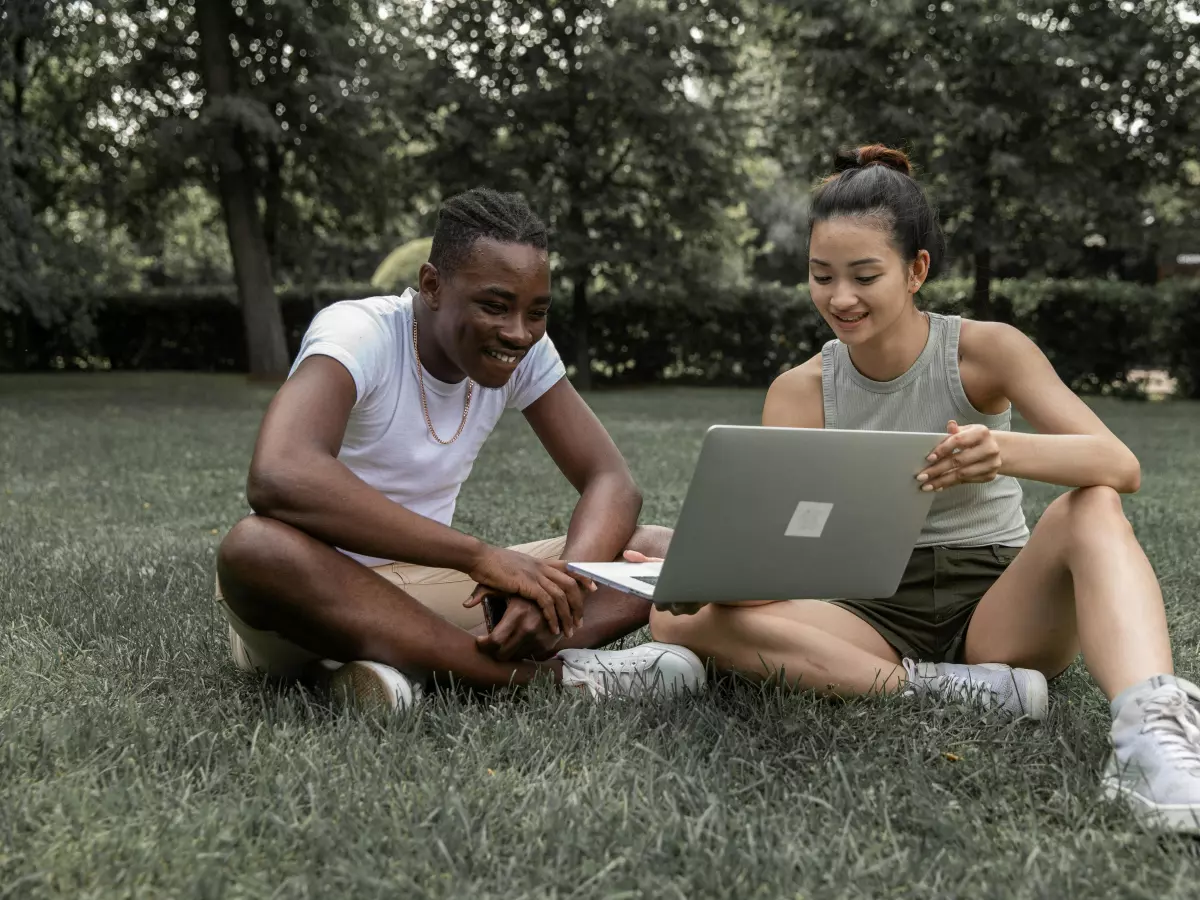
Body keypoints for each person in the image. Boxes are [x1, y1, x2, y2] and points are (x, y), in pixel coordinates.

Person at [646, 144, 1200, 833]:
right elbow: (789, 559)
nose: (839, 298)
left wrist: (1000, 451)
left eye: (864, 275)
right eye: (821, 276)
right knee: (674, 619)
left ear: (915, 271)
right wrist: (721, 579)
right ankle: (936, 691)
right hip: (869, 608)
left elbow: (1119, 463)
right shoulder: (799, 391)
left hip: (999, 603)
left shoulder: (985, 350)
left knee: (1092, 502)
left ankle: (1154, 735)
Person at [215, 187, 704, 712]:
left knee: (659, 551)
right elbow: (279, 473)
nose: (518, 333)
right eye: (494, 305)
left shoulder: (528, 353)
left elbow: (611, 481)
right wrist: (477, 556)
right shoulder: (361, 332)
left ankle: (386, 670)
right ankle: (546, 678)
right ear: (432, 285)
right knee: (254, 547)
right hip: (308, 596)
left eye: (537, 312)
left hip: (427, 592)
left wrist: (563, 588)